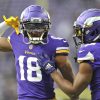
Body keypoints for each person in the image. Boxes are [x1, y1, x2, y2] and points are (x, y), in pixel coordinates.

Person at [0, 5, 74, 100]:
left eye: (39, 27)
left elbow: (70, 81)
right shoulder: (17, 39)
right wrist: (6, 24)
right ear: (23, 26)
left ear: (47, 26)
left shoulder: (56, 44)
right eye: (31, 26)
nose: (35, 31)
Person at [38, 8, 100, 100]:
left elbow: (73, 93)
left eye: (81, 31)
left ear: (94, 31)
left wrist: (52, 71)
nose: (79, 36)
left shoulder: (91, 50)